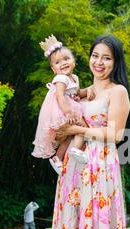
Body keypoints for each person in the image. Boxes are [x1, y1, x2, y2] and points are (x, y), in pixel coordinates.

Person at [47, 35, 130, 229]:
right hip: (75, 166)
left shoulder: (118, 91)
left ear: (115, 62)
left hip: (100, 166)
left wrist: (77, 129)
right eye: (95, 55)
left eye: (106, 57)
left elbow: (116, 134)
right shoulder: (83, 90)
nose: (99, 62)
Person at [31, 35, 94, 174]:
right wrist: (68, 112)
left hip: (71, 107)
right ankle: (75, 151)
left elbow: (78, 93)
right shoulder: (60, 78)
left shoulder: (75, 78)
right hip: (61, 110)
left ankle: (57, 158)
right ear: (53, 69)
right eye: (58, 62)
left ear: (74, 62)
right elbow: (60, 96)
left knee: (70, 134)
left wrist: (91, 88)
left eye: (66, 59)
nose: (63, 63)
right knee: (82, 128)